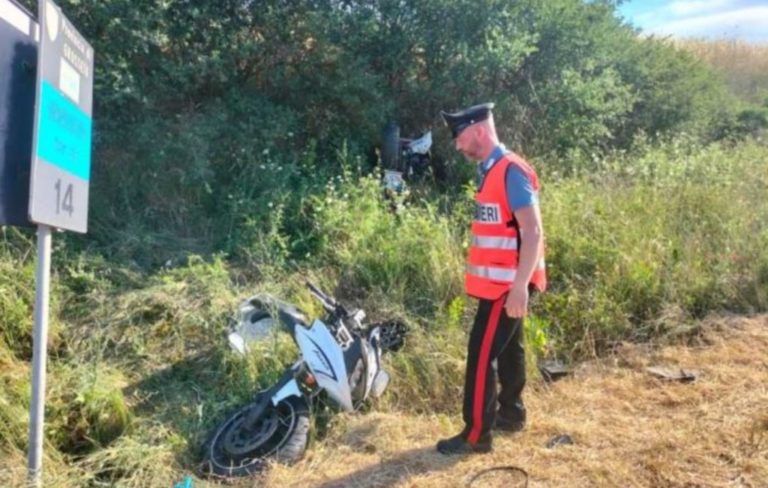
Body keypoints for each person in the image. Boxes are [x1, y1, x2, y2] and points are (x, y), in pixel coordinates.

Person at [436, 103, 547, 455]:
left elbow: (533, 231)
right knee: (510, 348)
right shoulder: (492, 170)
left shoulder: (510, 170)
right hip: (501, 285)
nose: (457, 145)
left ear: (479, 131)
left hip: (507, 286)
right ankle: (511, 414)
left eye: (459, 136)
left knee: (482, 354)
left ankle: (476, 435)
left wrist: (519, 288)